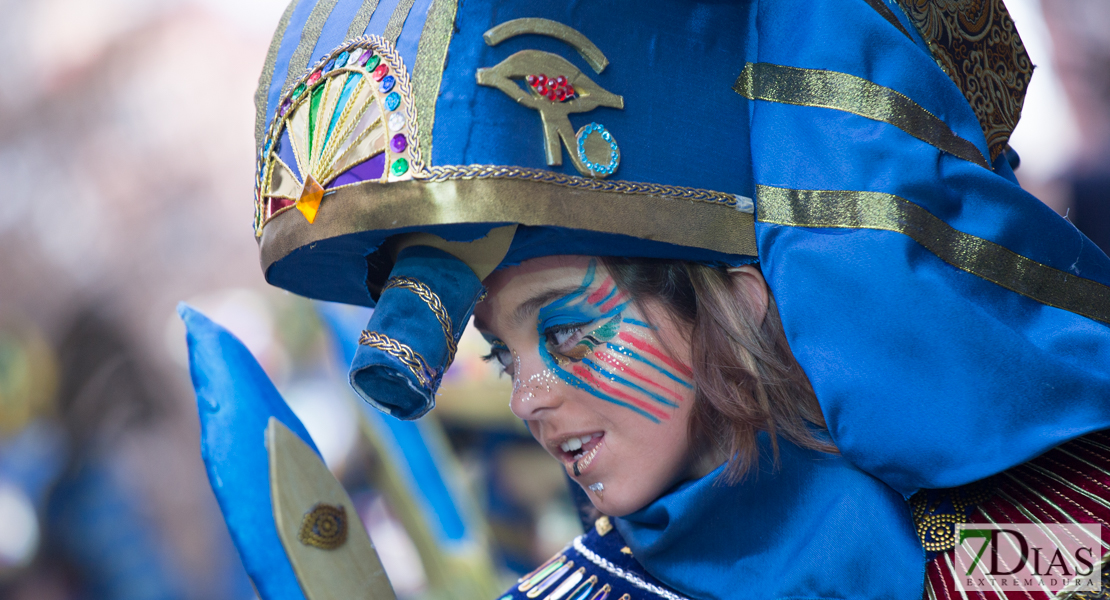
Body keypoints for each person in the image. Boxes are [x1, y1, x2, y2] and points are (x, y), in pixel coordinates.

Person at [192, 0, 1110, 598]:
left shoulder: (1055, 527)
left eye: (569, 328)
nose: (526, 399)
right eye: (505, 355)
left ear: (742, 301)